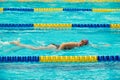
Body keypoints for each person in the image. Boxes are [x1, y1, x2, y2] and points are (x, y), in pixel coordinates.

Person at [9, 40, 89, 50]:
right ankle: (17, 44)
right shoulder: (75, 44)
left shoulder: (79, 46)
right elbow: (63, 44)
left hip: (55, 46)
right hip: (54, 47)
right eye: (82, 42)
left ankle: (18, 43)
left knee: (36, 48)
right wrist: (58, 51)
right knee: (35, 49)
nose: (81, 44)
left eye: (83, 43)